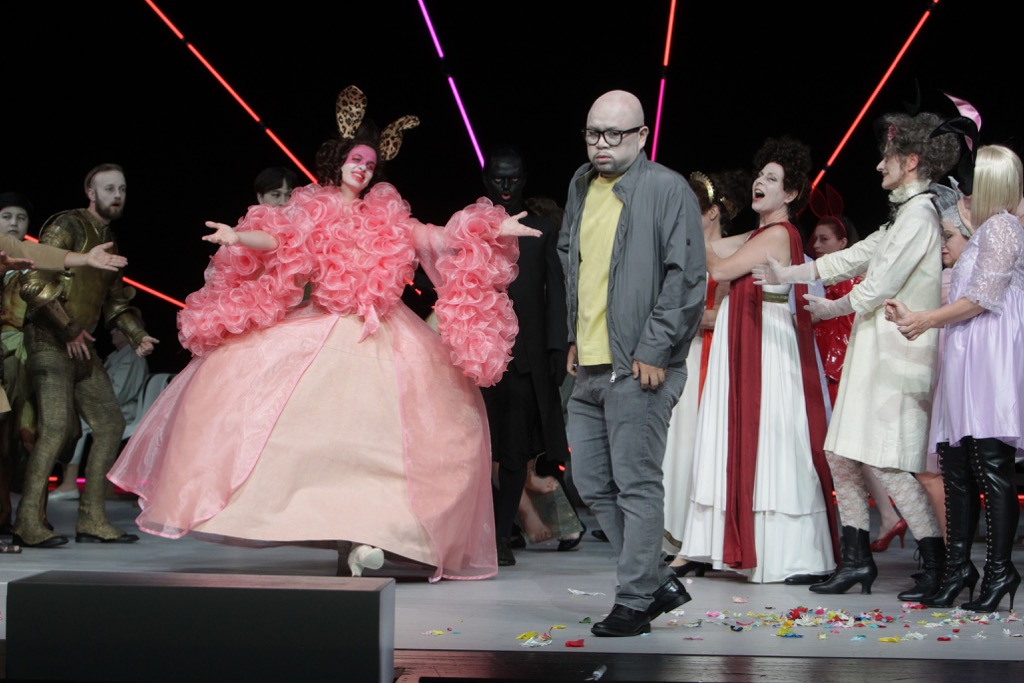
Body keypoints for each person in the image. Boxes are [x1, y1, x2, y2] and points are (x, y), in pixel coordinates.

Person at [107, 85, 541, 582]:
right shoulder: (315, 208)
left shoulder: (387, 213)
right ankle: (327, 530)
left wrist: (489, 230)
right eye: (356, 159)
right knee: (308, 435)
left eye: (370, 163)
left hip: (384, 332)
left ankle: (373, 537)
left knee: (400, 439)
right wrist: (238, 236)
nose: (363, 169)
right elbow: (280, 239)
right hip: (326, 327)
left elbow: (432, 237)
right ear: (339, 159)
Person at [754, 111, 961, 599]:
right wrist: (792, 274)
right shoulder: (905, 215)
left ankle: (937, 563)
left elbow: (878, 284)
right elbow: (857, 256)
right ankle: (856, 560)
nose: (879, 166)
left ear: (911, 161)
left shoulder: (919, 217)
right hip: (874, 352)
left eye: (887, 157)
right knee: (840, 454)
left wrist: (832, 306)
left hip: (898, 356)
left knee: (887, 463)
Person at [558, 89, 705, 637]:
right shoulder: (580, 184)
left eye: (614, 133)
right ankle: (656, 580)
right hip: (592, 363)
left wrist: (655, 347)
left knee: (637, 484)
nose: (601, 143)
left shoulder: (667, 188)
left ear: (641, 136)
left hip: (641, 364)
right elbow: (574, 262)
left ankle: (636, 599)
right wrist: (575, 336)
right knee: (592, 480)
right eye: (593, 132)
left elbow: (687, 275)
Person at [679, 138, 838, 584]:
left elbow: (719, 268)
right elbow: (714, 248)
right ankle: (715, 545)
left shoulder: (780, 234)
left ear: (791, 193)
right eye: (760, 175)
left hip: (766, 351)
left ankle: (785, 554)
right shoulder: (758, 234)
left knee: (772, 443)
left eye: (772, 178)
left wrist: (694, 226)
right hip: (746, 343)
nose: (760, 182)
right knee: (742, 438)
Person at [886, 144, 1023, 612]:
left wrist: (925, 319)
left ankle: (1000, 570)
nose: (963, 195)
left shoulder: (1002, 227)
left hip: (989, 355)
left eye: (970, 185)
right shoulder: (988, 230)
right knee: (959, 465)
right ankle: (959, 568)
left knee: (990, 465)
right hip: (969, 351)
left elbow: (983, 298)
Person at [13, 164, 158, 548]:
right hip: (49, 338)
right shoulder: (67, 225)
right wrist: (68, 328)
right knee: (56, 427)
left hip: (80, 343)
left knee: (109, 423)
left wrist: (137, 335)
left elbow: (116, 301)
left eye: (122, 189)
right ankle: (28, 521)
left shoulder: (108, 240)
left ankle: (92, 517)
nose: (117, 195)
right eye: (109, 188)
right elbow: (32, 281)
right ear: (90, 192)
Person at [478, 146, 580, 566]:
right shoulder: (471, 228)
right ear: (486, 179)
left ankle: (503, 535)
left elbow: (556, 294)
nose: (506, 186)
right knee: (479, 450)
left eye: (513, 178)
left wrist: (557, 347)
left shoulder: (541, 231)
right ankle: (488, 532)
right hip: (477, 355)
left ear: (523, 179)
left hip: (523, 359)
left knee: (515, 451)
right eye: (498, 178)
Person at [662, 169, 749, 577]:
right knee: (677, 446)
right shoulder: (680, 250)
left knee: (702, 445)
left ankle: (702, 543)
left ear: (713, 212)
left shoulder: (730, 255)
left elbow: (726, 311)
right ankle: (680, 536)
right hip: (684, 354)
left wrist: (686, 318)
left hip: (712, 356)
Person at [49, 322, 150, 500]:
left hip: (124, 409)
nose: (112, 332)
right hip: (109, 404)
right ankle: (76, 480)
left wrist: (89, 401)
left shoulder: (133, 356)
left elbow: (118, 392)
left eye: (117, 329)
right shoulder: (115, 355)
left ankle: (69, 482)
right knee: (72, 416)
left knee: (82, 421)